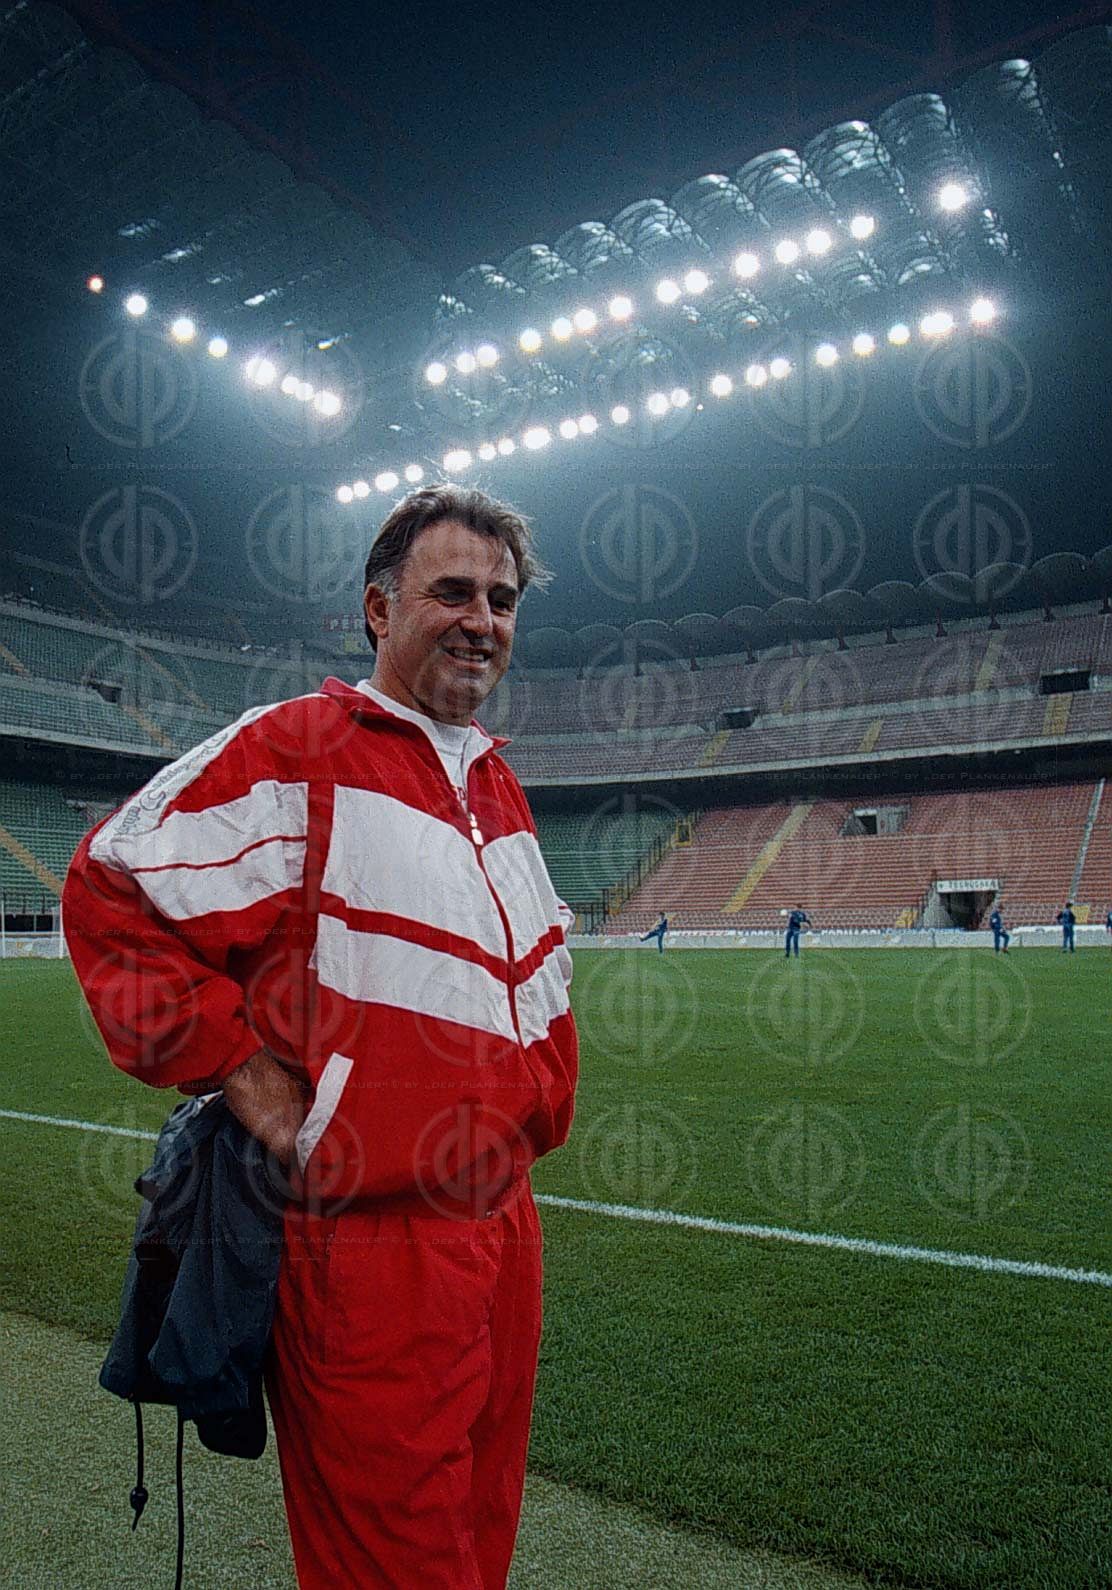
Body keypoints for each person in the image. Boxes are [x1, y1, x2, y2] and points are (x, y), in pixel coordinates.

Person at [63, 486, 579, 1590]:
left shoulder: (495, 781)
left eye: (501, 600)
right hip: (372, 1240)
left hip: (504, 1224)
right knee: (394, 1565)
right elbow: (109, 886)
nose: (481, 620)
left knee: (479, 1533)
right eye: (451, 592)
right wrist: (251, 1083)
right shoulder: (298, 748)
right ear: (378, 610)